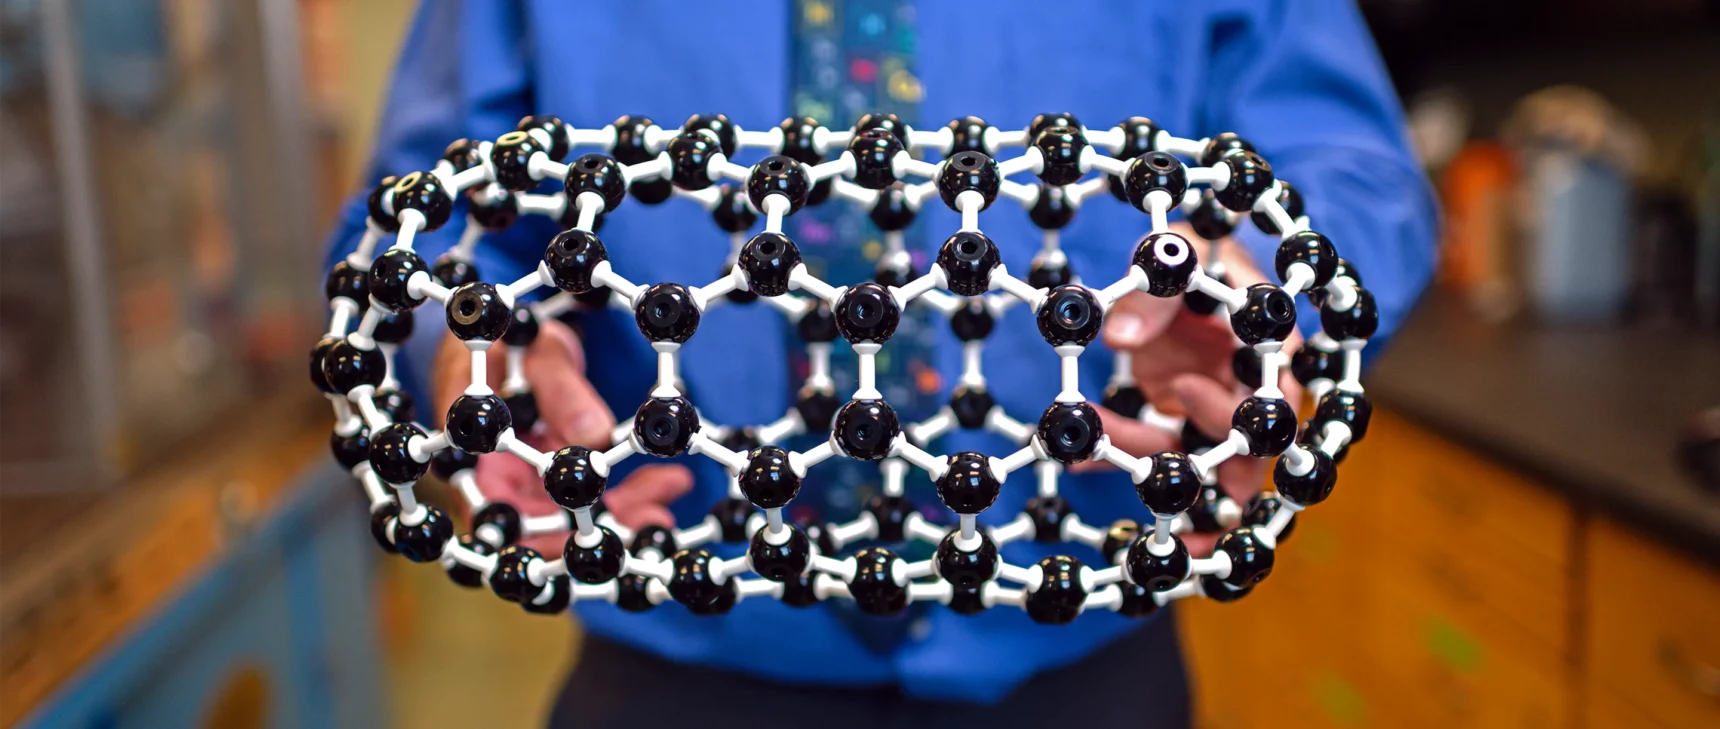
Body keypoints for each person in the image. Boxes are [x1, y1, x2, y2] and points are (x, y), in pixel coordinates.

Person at [324, 1, 1437, 726]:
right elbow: (422, 219)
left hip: (1084, 660)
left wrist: (1264, 290)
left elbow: (1351, 165)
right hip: (675, 660)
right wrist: (471, 346)